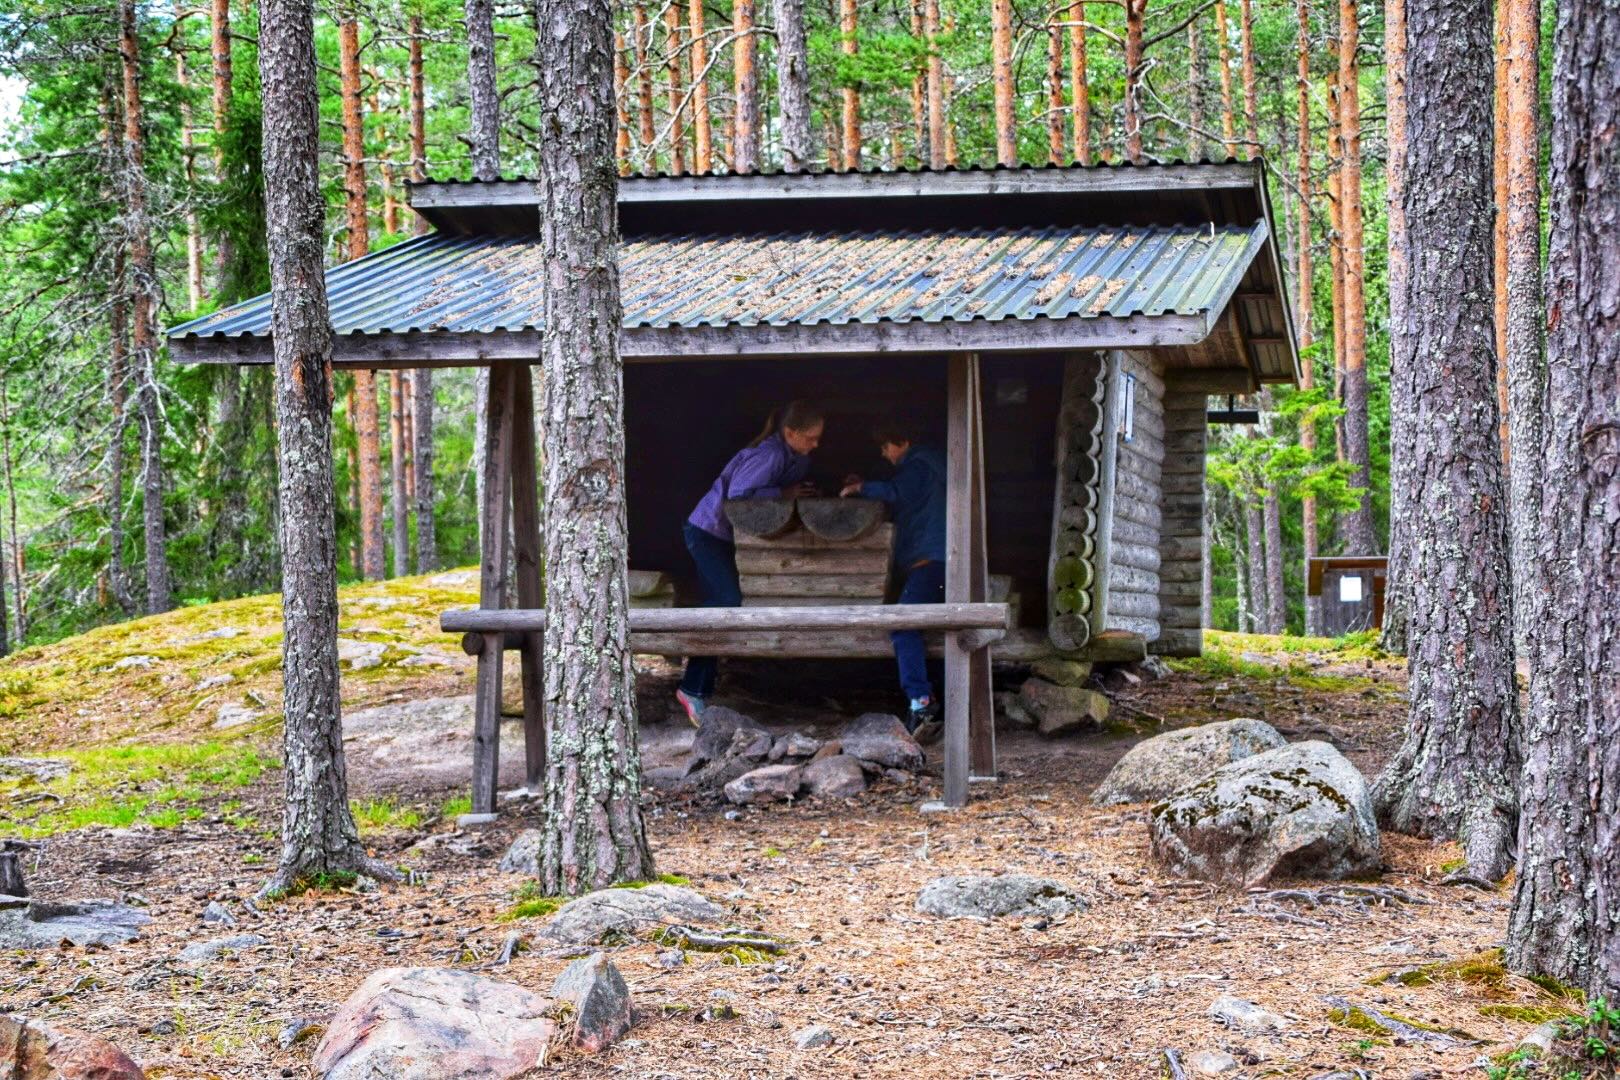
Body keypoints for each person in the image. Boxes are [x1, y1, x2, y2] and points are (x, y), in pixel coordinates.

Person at [676, 401, 824, 724]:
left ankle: (698, 686)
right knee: (725, 601)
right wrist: (785, 493)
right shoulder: (769, 455)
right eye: (811, 437)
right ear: (790, 433)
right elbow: (739, 497)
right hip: (706, 532)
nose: (816, 444)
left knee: (718, 602)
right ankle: (691, 685)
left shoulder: (795, 457)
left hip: (722, 537)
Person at [841, 421, 946, 743]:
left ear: (901, 440)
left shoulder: (918, 464)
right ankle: (943, 703)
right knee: (941, 627)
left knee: (902, 624)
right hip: (943, 559)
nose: (885, 454)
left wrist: (861, 489)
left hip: (933, 560)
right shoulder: (935, 463)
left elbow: (898, 492)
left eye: (886, 446)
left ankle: (922, 703)